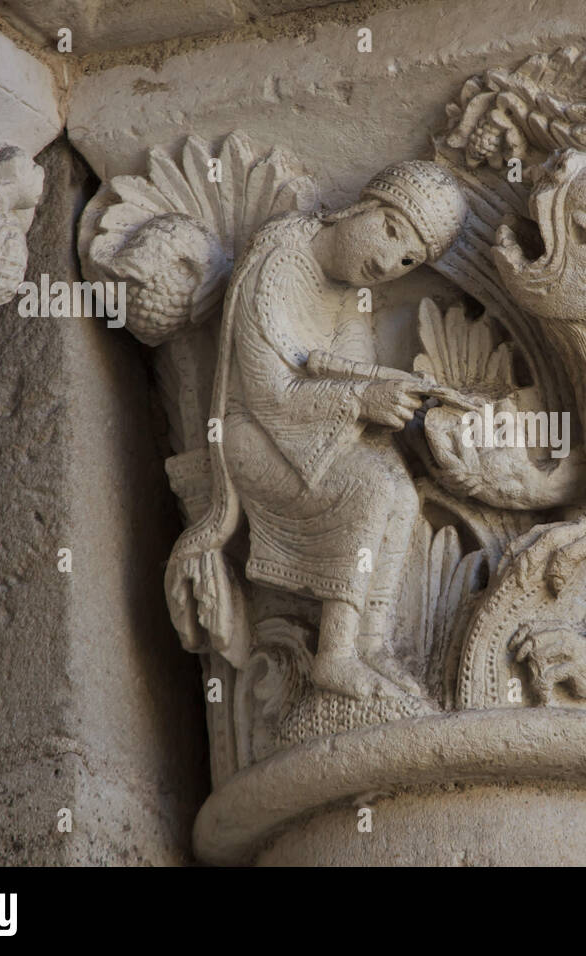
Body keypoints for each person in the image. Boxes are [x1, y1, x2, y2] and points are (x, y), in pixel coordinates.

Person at [165, 160, 469, 701]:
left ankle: (370, 645)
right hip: (253, 435)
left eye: (407, 260)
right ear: (358, 206)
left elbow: (353, 369)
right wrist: (359, 399)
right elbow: (270, 395)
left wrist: (392, 397)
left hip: (308, 434)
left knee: (398, 486)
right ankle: (333, 656)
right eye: (391, 229)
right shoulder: (281, 264)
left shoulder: (351, 296)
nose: (386, 262)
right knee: (371, 486)